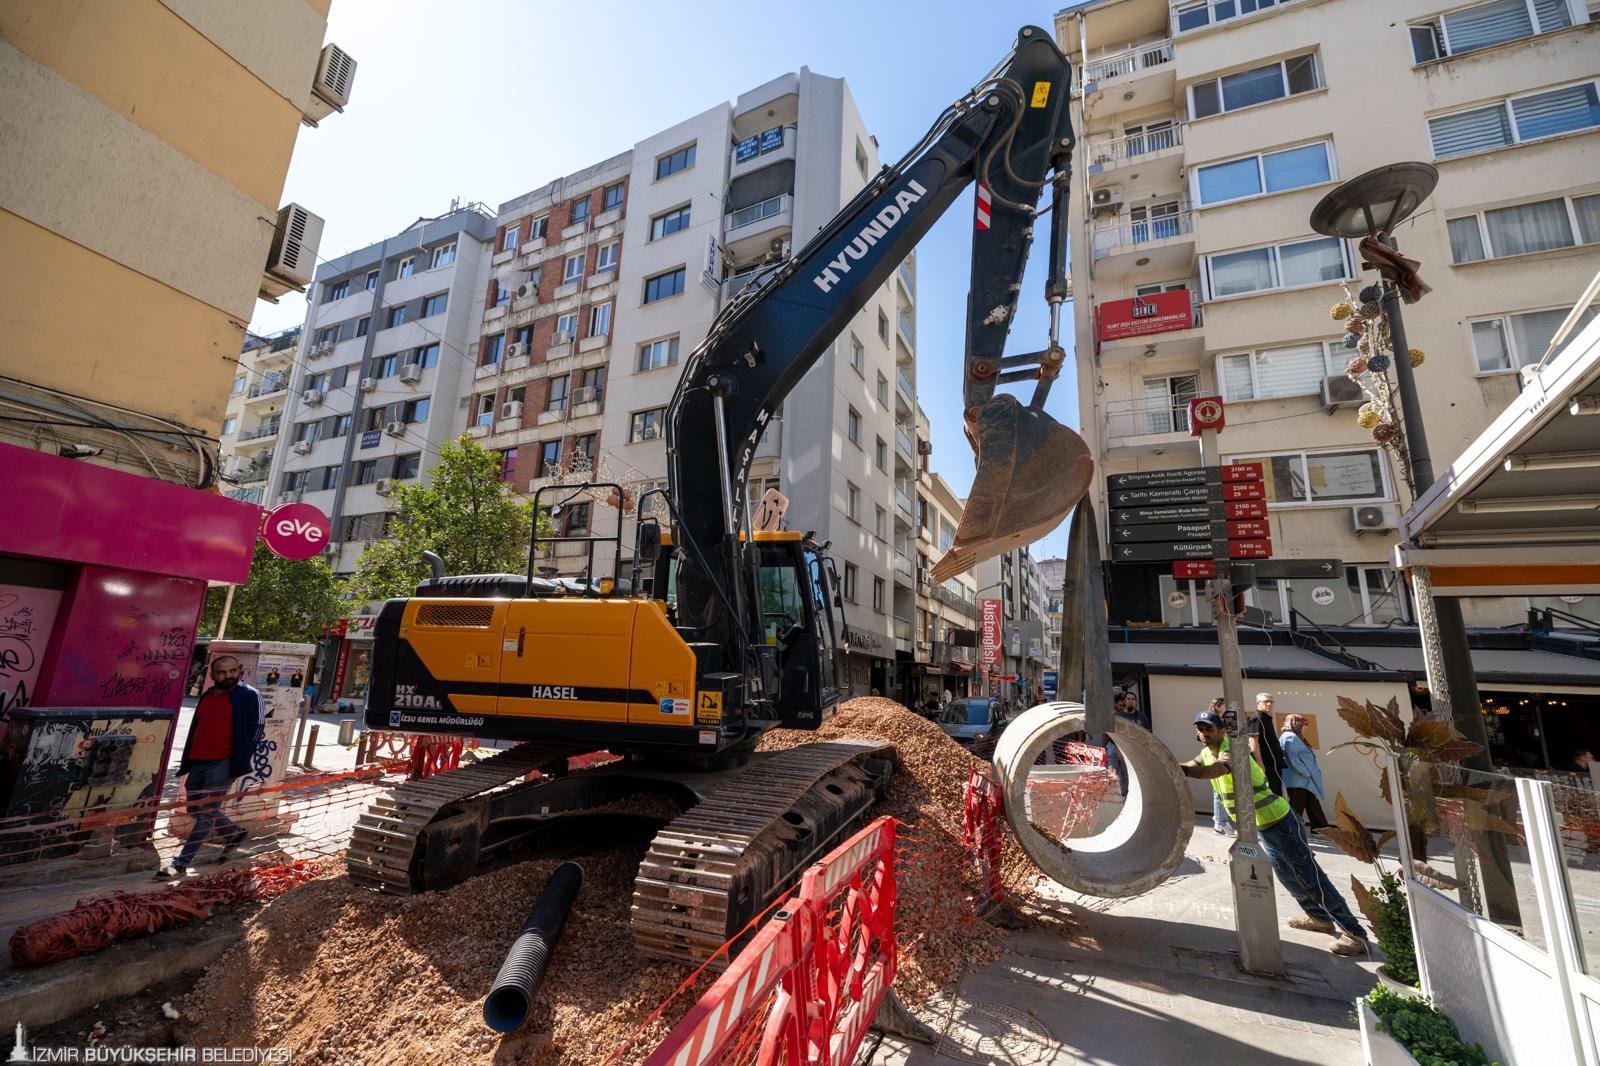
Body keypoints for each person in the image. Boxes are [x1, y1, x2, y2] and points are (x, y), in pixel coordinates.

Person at [1181, 711, 1368, 956]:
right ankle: (1319, 918)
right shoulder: (1206, 753)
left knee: (1308, 875)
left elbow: (1211, 772)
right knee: (1286, 875)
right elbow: (1192, 765)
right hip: (1261, 825)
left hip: (1279, 821)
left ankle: (1355, 933)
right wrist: (1166, 764)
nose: (1204, 734)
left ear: (1222, 731)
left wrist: (1180, 770)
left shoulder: (1232, 750)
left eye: (1209, 729)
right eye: (1201, 729)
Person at [158, 655, 262, 879]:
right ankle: (233, 833)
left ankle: (180, 863)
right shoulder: (207, 695)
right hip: (198, 761)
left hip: (223, 764)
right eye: (222, 672)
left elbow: (257, 729)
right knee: (195, 808)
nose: (228, 676)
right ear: (213, 675)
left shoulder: (249, 696)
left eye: (233, 671)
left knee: (205, 814)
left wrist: (240, 759)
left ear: (240, 669)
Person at [1280, 714, 1331, 830]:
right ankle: (1290, 829)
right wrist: (1305, 772)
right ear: (1296, 724)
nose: (1305, 727)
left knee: (1312, 802)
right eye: (1303, 725)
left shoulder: (1295, 737)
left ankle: (1321, 828)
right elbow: (1292, 758)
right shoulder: (1290, 737)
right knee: (1297, 805)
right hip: (1298, 779)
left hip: (1303, 779)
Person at [1247, 692, 1288, 798]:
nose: (1269, 704)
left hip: (1274, 764)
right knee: (1271, 795)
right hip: (1267, 765)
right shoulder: (1257, 718)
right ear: (1258, 703)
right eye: (1266, 701)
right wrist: (1260, 764)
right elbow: (1253, 742)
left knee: (1277, 794)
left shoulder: (1266, 718)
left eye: (1271, 701)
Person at [1206, 698, 1234, 837]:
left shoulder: (1225, 719)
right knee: (1219, 790)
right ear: (1217, 706)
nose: (1225, 707)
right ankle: (1220, 822)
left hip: (1225, 752)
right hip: (1216, 754)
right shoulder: (1212, 719)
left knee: (1223, 789)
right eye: (1223, 705)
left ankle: (1221, 820)